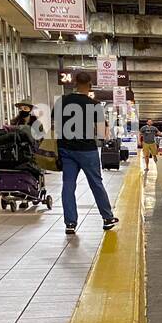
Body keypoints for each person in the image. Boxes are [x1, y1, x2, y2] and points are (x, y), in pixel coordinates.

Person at [54, 70, 117, 237]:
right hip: (87, 150)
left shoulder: (62, 101)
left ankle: (70, 223)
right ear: (89, 85)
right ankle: (107, 218)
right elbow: (102, 132)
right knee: (96, 183)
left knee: (68, 185)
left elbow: (54, 124)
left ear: (74, 84)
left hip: (66, 149)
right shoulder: (94, 104)